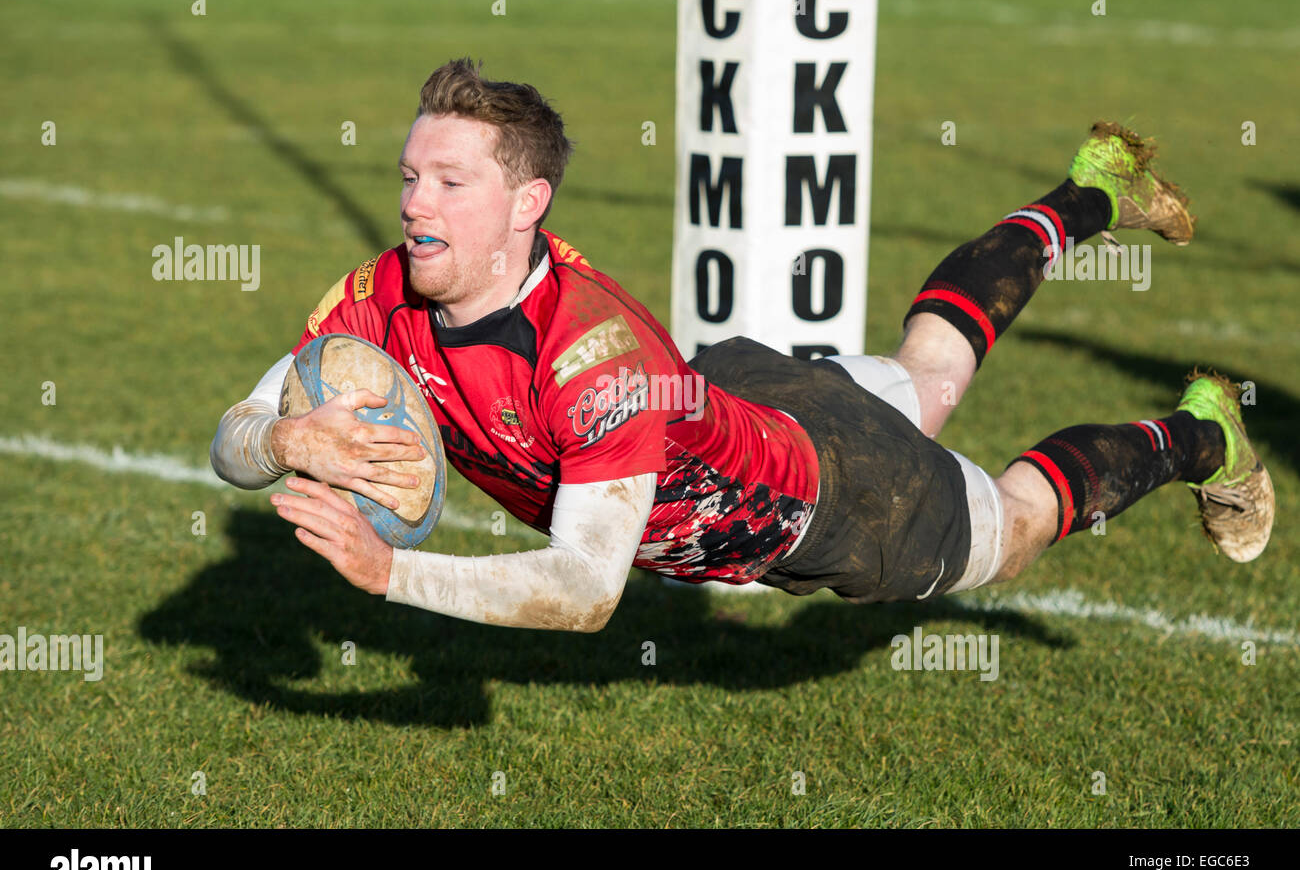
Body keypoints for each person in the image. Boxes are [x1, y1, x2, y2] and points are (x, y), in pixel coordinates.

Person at [210, 58, 1274, 632]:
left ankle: (1197, 433)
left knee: (1013, 524)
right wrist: (286, 439)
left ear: (528, 201)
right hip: (728, 392)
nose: (413, 203)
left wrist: (389, 574)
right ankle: (1090, 189)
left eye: (449, 182)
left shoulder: (592, 358)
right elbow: (234, 434)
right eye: (407, 176)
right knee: (931, 371)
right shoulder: (373, 295)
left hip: (822, 494)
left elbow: (584, 591)